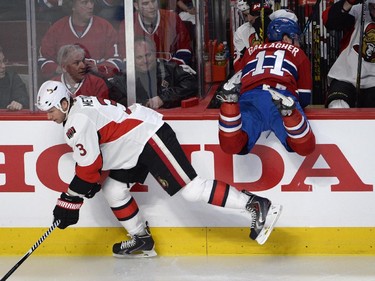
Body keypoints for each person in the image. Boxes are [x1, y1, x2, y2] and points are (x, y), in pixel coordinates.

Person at [36, 80, 282, 258]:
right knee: (113, 190)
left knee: (191, 191)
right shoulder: (77, 109)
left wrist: (68, 200)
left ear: (65, 102)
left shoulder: (78, 122)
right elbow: (93, 166)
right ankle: (142, 240)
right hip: (130, 147)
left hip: (149, 137)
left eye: (51, 110)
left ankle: (256, 205)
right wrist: (76, 195)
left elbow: (89, 169)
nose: (48, 117)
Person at [218, 17, 315, 158]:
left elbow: (240, 71)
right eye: (295, 38)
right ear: (286, 38)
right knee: (305, 147)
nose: (298, 43)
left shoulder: (251, 51)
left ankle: (229, 104)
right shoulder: (298, 53)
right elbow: (305, 98)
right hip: (281, 95)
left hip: (250, 96)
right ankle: (290, 114)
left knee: (233, 145)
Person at [38, 0, 122, 80]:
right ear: (72, 6)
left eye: (91, 1)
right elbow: (43, 60)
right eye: (84, 2)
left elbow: (116, 60)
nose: (90, 6)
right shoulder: (57, 28)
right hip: (65, 85)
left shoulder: (105, 27)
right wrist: (59, 69)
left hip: (97, 85)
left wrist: (97, 68)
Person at [108, 37, 198, 109]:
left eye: (148, 55)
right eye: (139, 57)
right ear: (132, 59)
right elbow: (118, 102)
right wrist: (144, 104)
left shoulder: (170, 68)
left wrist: (164, 98)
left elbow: (191, 84)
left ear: (154, 53)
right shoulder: (121, 80)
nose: (145, 61)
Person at [322, 0, 375, 108]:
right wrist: (348, 2)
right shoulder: (357, 10)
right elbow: (329, 21)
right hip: (347, 77)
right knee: (337, 106)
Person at [118, 0, 192, 66]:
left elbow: (184, 49)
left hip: (171, 73)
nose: (152, 6)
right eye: (145, 3)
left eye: (153, 1)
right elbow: (124, 57)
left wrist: (170, 70)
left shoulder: (172, 18)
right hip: (141, 75)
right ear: (136, 6)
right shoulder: (127, 24)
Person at [233, 0, 273, 72]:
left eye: (251, 14)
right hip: (251, 74)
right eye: (245, 15)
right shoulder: (241, 32)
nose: (249, 19)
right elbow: (238, 65)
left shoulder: (277, 25)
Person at [0, 46, 29, 110]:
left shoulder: (12, 77)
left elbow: (22, 97)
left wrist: (19, 103)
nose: (3, 66)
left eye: (4, 61)